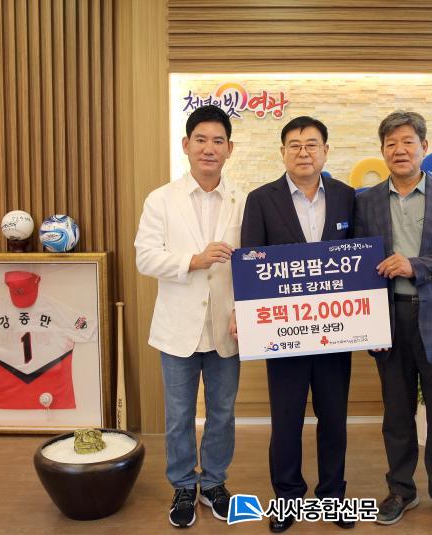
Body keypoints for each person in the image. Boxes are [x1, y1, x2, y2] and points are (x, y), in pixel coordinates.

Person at [354, 111, 432, 535]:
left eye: (408, 141)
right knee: (396, 413)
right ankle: (401, 490)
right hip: (388, 319)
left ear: (424, 146)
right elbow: (357, 262)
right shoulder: (367, 201)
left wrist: (415, 265)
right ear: (382, 151)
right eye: (391, 144)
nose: (400, 150)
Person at [240, 116, 356, 533]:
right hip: (283, 333)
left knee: (334, 419)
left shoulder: (347, 197)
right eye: (294, 145)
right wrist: (246, 317)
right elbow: (250, 263)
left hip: (335, 332)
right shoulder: (260, 200)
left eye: (311, 144)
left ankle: (332, 497)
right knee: (286, 420)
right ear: (282, 152)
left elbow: (360, 261)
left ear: (325, 150)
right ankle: (287, 498)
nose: (303, 152)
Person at [134, 105, 245, 528]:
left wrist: (243, 312)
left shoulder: (243, 200)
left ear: (230, 149)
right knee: (179, 415)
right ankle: (183, 485)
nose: (209, 148)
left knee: (222, 412)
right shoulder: (161, 199)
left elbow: (254, 265)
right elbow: (145, 258)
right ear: (186, 145)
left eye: (218, 141)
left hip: (226, 326)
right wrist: (194, 260)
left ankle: (214, 482)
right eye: (201, 139)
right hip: (177, 326)